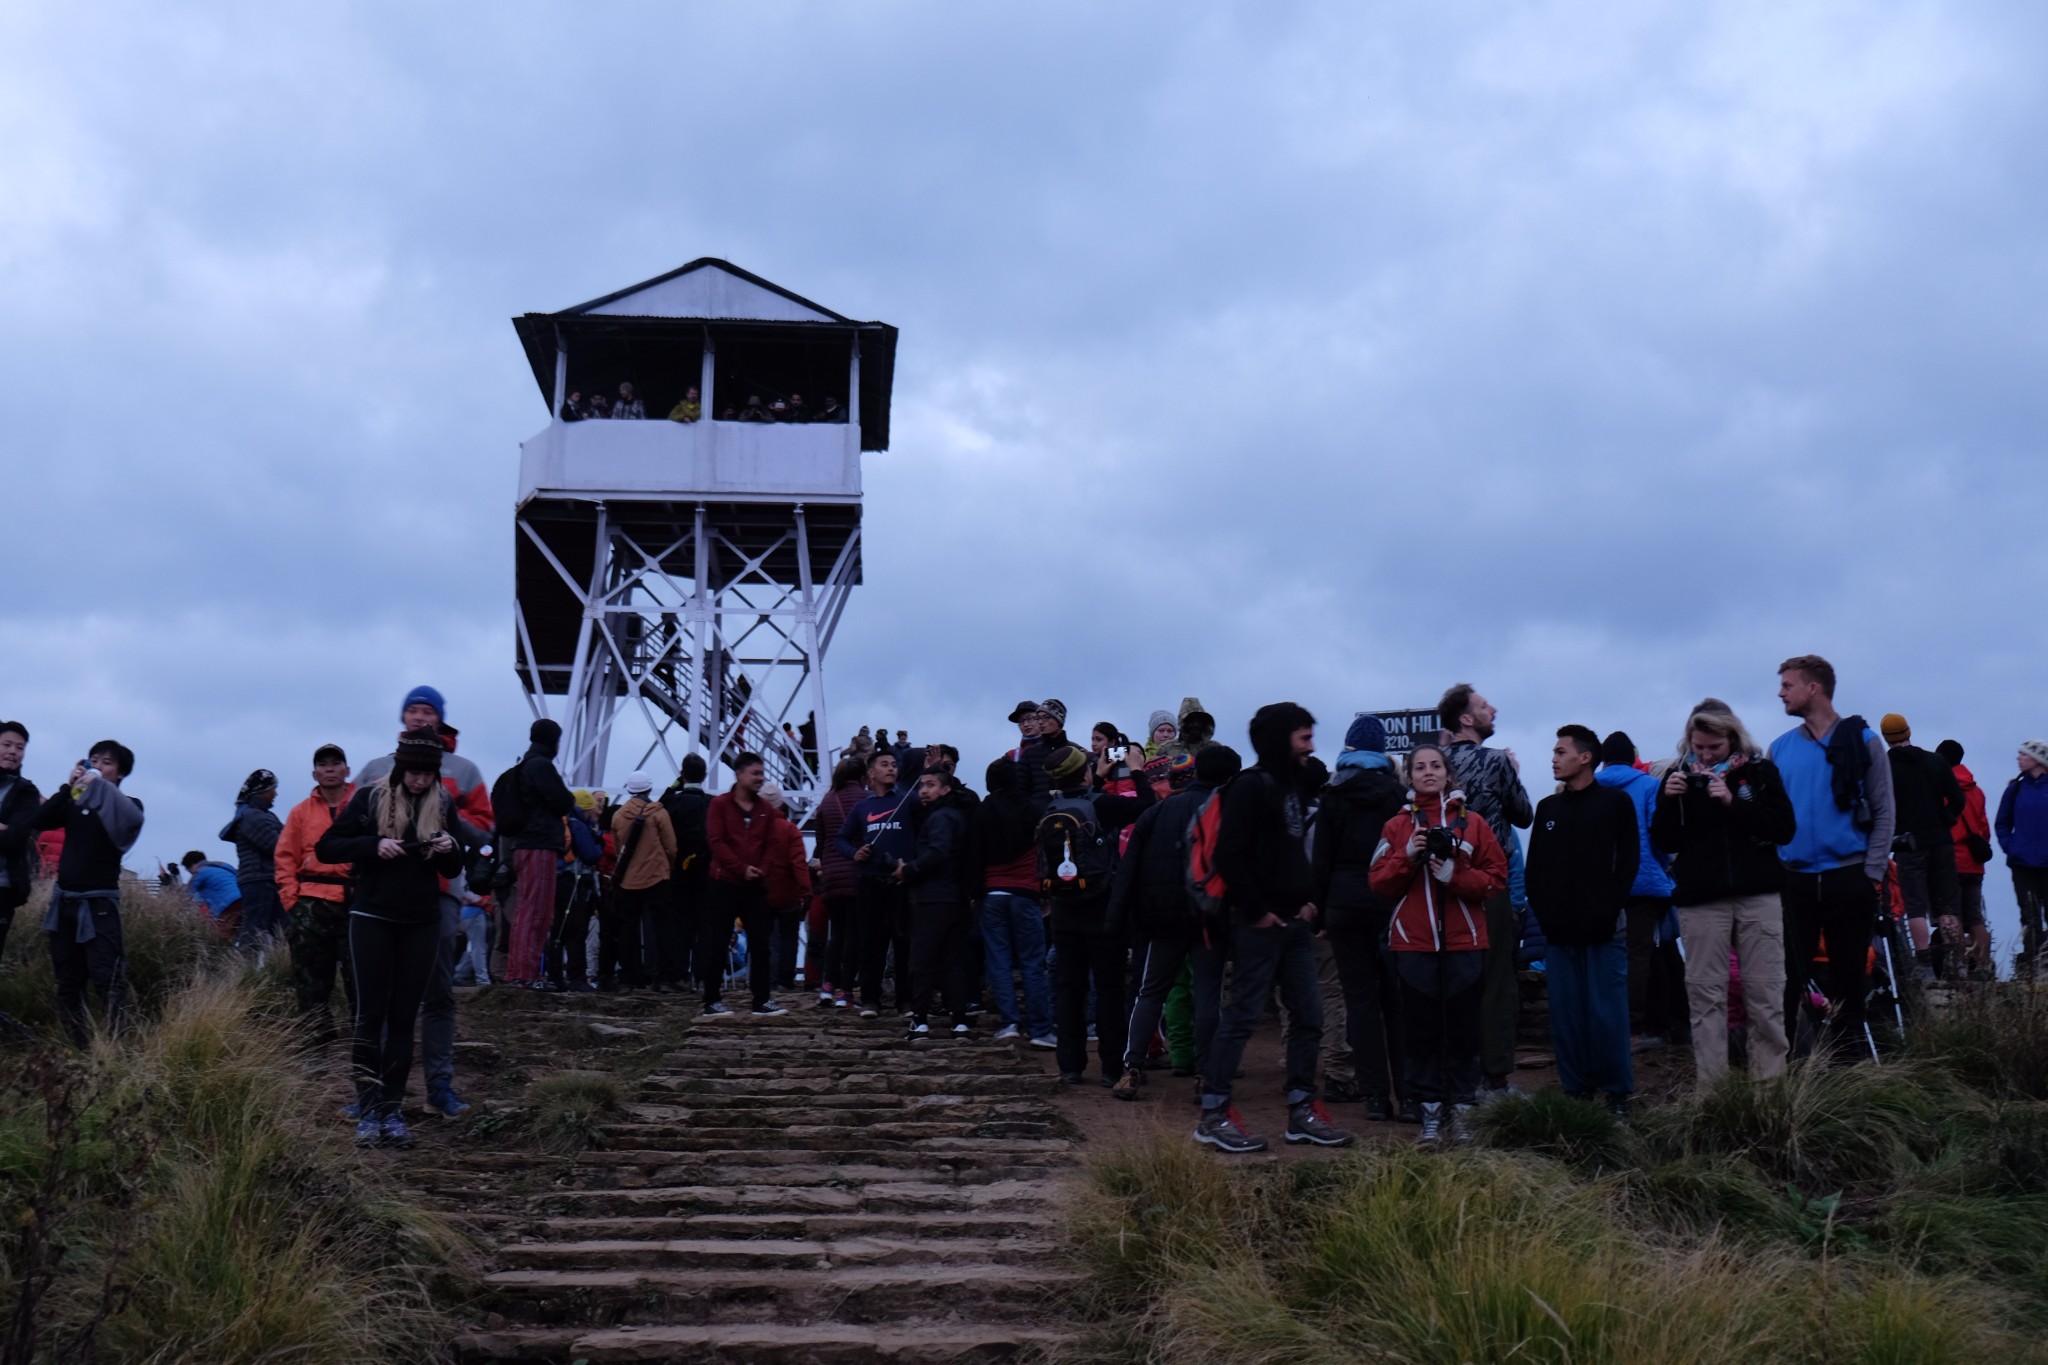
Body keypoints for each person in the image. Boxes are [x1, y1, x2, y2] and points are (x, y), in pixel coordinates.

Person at [1196, 703, 1352, 1153]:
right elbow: (1229, 854)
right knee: (1242, 1017)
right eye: (1304, 737)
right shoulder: (1251, 786)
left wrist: (1306, 903)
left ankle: (1302, 1111)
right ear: (1281, 739)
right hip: (1259, 926)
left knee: (1310, 1016)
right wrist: (1258, 911)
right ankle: (1214, 1113)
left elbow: (1290, 853)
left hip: (1293, 925)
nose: (1312, 746)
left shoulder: (1291, 787)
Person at [315, 729, 464, 1148]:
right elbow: (327, 848)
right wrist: (373, 845)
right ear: (400, 768)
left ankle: (393, 1110)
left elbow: (454, 870)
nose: (419, 781)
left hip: (421, 920)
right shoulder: (368, 798)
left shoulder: (443, 802)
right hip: (371, 916)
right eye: (413, 773)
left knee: (403, 1018)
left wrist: (450, 847)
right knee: (369, 1015)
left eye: (427, 775)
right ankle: (368, 1105)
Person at [1368, 742, 1506, 1145]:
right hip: (1413, 943)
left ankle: (1462, 1110)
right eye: (1419, 767)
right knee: (1421, 1032)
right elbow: (1377, 882)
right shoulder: (1395, 827)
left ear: (1448, 773)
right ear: (1408, 776)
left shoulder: (1474, 823)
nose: (1428, 772)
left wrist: (1454, 876)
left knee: (1463, 1031)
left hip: (1465, 941)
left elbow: (1496, 879)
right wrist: (1408, 855)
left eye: (1436, 766)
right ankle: (1429, 1112)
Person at [1654, 704, 1796, 1083]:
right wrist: (1668, 800)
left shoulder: (1759, 771)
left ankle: (1771, 1090)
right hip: (1701, 899)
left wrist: (1733, 802)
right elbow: (1664, 840)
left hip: (1758, 894)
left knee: (1766, 997)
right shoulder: (1676, 776)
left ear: (1732, 738)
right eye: (1698, 746)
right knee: (1705, 999)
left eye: (1713, 747)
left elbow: (1784, 829)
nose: (1704, 755)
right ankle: (1713, 1095)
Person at [1770, 655, 1896, 1057]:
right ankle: (1786, 1071)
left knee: (1849, 979)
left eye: (1788, 685)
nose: (1780, 693)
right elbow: (1772, 816)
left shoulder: (1865, 742)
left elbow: (1884, 809)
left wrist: (1871, 872)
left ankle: (1850, 1073)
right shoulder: (1779, 749)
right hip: (1795, 880)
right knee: (1788, 979)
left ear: (1813, 688)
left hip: (1850, 876)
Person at [1112, 745, 1239, 1102]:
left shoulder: (1157, 812)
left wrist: (1117, 920)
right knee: (1208, 996)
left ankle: (1131, 1068)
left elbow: (1129, 869)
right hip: (1209, 917)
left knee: (1150, 993)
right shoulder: (1224, 812)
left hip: (1161, 918)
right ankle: (1205, 1075)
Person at [1526, 727, 1640, 1117]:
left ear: (1586, 757)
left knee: (1607, 1015)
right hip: (1559, 934)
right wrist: (1546, 918)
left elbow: (1627, 864)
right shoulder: (1548, 809)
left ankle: (1617, 1096)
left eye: (1561, 751)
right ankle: (1576, 1092)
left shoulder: (1616, 803)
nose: (1554, 758)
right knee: (1566, 1016)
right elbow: (1535, 870)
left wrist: (1607, 912)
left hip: (1605, 931)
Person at [1039, 742, 1154, 1089]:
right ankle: (1110, 1067)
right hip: (1102, 908)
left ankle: (1070, 1066)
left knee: (1069, 988)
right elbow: (1146, 807)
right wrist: (1136, 769)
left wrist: (1096, 781)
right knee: (1108, 989)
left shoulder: (1050, 807)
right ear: (1085, 771)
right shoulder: (1100, 804)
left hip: (1063, 910)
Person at [1310, 715, 1408, 1120]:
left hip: (1344, 904)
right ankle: (1409, 1092)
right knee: (1397, 1001)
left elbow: (1322, 859)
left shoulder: (1333, 793)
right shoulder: (1398, 795)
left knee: (1360, 1002)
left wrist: (1319, 909)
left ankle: (1374, 1097)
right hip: (1389, 903)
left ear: (1349, 749)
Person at [1438, 683, 1534, 1096]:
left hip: (1438, 884)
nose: (1492, 710)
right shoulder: (1495, 761)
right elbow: (1524, 815)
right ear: (1466, 719)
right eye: (1482, 706)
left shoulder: (1430, 764)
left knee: (1445, 979)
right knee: (1495, 981)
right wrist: (1510, 770)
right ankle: (1494, 1079)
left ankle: (1449, 1077)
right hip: (1487, 883)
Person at [26, 741, 144, 1045]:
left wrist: (95, 784)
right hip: (63, 902)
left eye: (106, 762)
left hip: (99, 905)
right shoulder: (76, 801)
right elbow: (39, 821)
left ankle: (119, 1049)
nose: (97, 766)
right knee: (68, 981)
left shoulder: (128, 804)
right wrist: (68, 788)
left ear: (121, 773)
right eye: (93, 760)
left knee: (108, 979)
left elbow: (132, 820)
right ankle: (80, 1047)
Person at [1594, 733, 1682, 1046]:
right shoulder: (1648, 785)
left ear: (1602, 758)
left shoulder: (1590, 787)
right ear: (1632, 757)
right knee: (1643, 953)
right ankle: (1638, 1027)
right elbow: (1660, 834)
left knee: (1609, 953)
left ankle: (1620, 1022)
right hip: (1644, 883)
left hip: (1601, 883)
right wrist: (1665, 866)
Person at [275, 743, 359, 1044]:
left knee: (360, 979)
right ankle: (316, 1044)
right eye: (323, 764)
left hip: (356, 902)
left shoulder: (364, 804)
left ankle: (364, 1045)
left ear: (347, 770)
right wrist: (292, 901)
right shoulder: (299, 813)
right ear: (315, 773)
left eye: (336, 763)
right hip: (311, 905)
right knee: (311, 981)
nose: (330, 769)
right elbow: (284, 857)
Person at [1878, 714, 1965, 984]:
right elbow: (1958, 799)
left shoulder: (1884, 767)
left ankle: (1925, 966)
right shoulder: (1935, 760)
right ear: (1909, 731)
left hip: (1907, 843)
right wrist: (1947, 818)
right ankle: (1957, 964)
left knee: (1915, 905)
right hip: (1940, 839)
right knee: (1948, 903)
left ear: (1886, 737)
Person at [834, 749, 918, 1018]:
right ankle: (870, 999)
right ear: (871, 772)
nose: (891, 769)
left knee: (903, 943)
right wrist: (854, 853)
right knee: (871, 943)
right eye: (884, 765)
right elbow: (841, 839)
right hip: (869, 881)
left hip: (901, 882)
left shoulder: (909, 799)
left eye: (894, 764)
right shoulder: (862, 807)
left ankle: (905, 1000)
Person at [978, 756, 1055, 1047]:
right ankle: (1040, 1030)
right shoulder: (1034, 809)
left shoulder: (983, 812)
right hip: (1026, 892)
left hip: (992, 892)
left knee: (998, 961)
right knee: (1033, 963)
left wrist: (974, 894)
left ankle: (1009, 1023)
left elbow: (974, 856)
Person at [704, 752, 789, 1015]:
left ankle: (761, 1000)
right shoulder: (720, 805)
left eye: (762, 774)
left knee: (760, 943)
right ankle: (711, 1000)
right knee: (718, 942)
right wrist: (741, 869)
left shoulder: (766, 810)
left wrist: (760, 869)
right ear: (739, 774)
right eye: (755, 773)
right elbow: (716, 841)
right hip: (725, 883)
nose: (760, 778)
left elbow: (772, 845)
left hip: (755, 885)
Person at [496, 718, 577, 987]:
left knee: (530, 909)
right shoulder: (541, 766)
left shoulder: (524, 766)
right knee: (536, 911)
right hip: (539, 843)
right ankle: (523, 974)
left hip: (525, 843)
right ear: (553, 740)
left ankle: (524, 973)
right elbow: (564, 801)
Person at [896, 769, 975, 1036]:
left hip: (932, 899)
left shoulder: (940, 818)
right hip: (956, 898)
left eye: (931, 785)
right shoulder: (957, 817)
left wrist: (908, 870)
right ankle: (959, 1020)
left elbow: (938, 853)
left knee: (922, 960)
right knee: (952, 961)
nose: (923, 790)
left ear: (946, 789)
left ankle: (920, 1020)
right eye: (921, 785)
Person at [811, 756, 870, 1007]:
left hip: (832, 875)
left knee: (836, 934)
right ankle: (845, 991)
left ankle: (827, 985)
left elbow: (821, 842)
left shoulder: (827, 800)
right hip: (856, 872)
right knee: (854, 935)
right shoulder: (866, 799)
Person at [611, 772, 678, 990]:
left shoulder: (619, 816)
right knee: (663, 928)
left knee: (627, 928)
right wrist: (668, 866)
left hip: (629, 880)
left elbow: (618, 848)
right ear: (649, 789)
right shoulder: (659, 813)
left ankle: (628, 978)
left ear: (629, 789)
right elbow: (671, 847)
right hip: (657, 876)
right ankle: (665, 977)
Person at [1935, 739, 1995, 979]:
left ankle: (1958, 964)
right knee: (1975, 917)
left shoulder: (1943, 789)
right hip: (1975, 863)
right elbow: (1984, 829)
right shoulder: (1977, 791)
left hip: (1952, 860)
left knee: (1953, 915)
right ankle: (1982, 965)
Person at [660, 755, 713, 993]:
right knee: (704, 925)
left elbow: (660, 803)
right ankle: (703, 977)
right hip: (706, 871)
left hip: (678, 869)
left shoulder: (673, 803)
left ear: (683, 774)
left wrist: (675, 784)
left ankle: (678, 975)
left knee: (679, 925)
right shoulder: (712, 804)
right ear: (704, 775)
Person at [1995, 739, 2048, 979]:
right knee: (2029, 916)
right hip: (2022, 865)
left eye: (2023, 755)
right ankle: (2035, 968)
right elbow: (2002, 823)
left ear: (2037, 760)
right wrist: (2011, 848)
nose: (2018, 758)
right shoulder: (2014, 789)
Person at [220, 768, 284, 959]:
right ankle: (244, 967)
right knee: (256, 929)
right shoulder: (253, 816)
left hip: (264, 879)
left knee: (271, 928)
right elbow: (277, 845)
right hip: (260, 880)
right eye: (272, 788)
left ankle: (263, 968)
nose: (275, 793)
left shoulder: (256, 814)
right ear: (261, 790)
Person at [757, 779, 812, 992]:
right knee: (789, 938)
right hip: (787, 893)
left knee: (765, 939)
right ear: (781, 805)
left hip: (761, 892)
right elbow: (798, 863)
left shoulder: (754, 830)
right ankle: (785, 980)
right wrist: (806, 890)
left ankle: (765, 979)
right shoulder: (790, 830)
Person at [0, 720, 44, 958]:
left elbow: (15, 838)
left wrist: (8, 832)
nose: (13, 752)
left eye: (19, 747)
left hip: (3, 887)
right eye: (6, 744)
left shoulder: (26, 792)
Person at [182, 849, 244, 940]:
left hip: (228, 906)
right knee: (245, 931)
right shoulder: (224, 866)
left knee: (222, 937)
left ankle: (236, 953)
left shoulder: (200, 873)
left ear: (192, 865)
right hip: (245, 899)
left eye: (189, 871)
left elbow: (187, 895)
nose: (191, 873)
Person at [1157, 698, 1216, 763]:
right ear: (1183, 723)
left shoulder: (1215, 748)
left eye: (1199, 720)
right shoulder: (1167, 749)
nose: (1196, 724)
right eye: (1191, 720)